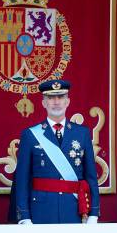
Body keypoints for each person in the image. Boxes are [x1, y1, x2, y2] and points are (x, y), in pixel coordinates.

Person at [14, 80, 100, 224]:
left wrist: (94, 213)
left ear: (68, 101)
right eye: (51, 98)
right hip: (41, 210)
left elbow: (91, 176)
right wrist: (24, 216)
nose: (56, 102)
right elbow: (22, 179)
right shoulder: (30, 135)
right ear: (44, 103)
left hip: (73, 209)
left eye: (60, 97)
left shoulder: (82, 133)